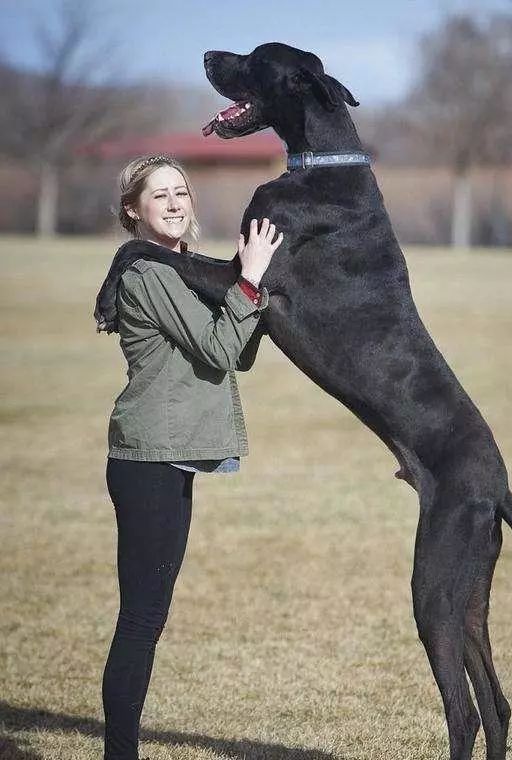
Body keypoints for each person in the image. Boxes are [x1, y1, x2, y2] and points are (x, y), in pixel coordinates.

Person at [101, 154, 283, 760]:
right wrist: (250, 280)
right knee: (142, 616)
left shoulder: (180, 269)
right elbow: (219, 348)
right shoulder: (149, 274)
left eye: (182, 192)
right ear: (134, 210)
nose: (176, 203)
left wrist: (246, 287)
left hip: (168, 455)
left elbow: (239, 346)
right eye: (160, 196)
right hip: (150, 459)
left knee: (149, 613)